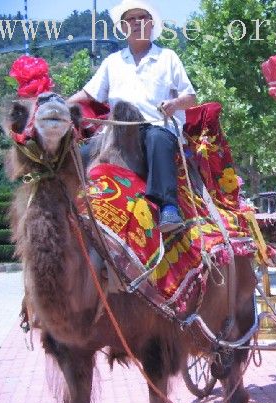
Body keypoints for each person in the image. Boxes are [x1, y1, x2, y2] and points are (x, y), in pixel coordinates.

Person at [68, 0, 196, 232]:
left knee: (157, 139)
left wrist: (175, 103)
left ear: (151, 24)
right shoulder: (112, 62)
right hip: (116, 132)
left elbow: (190, 97)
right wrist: (59, 105)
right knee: (82, 153)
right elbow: (88, 93)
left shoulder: (168, 57)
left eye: (142, 17)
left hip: (156, 126)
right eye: (130, 19)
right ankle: (72, 209)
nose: (136, 23)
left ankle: (168, 207)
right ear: (123, 27)